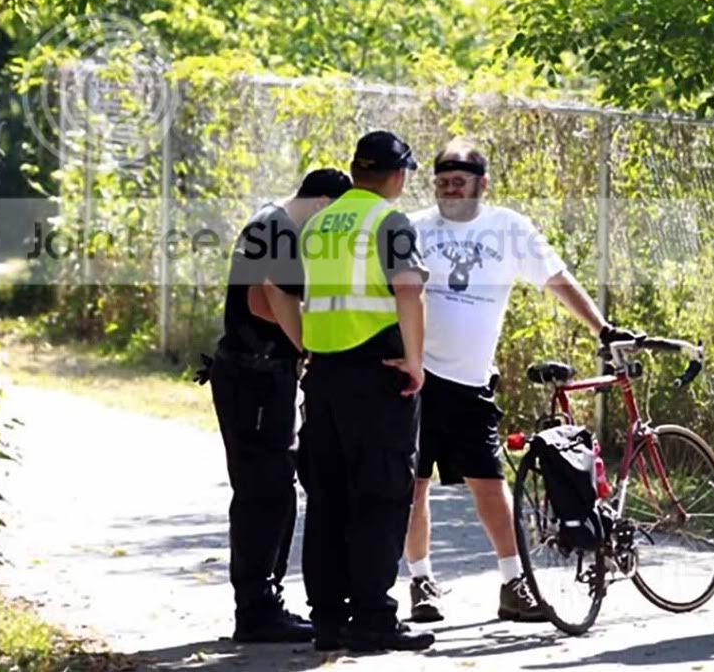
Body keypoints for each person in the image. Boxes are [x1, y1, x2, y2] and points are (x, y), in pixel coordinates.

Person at [404, 138, 607, 624]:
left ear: (483, 184)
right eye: (442, 183)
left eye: (459, 182)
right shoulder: (411, 228)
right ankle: (420, 581)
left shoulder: (508, 228)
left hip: (471, 382)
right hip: (417, 377)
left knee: (490, 485)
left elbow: (557, 278)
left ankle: (515, 583)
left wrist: (602, 328)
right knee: (414, 486)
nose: (450, 191)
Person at [298, 131, 435, 653]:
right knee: (379, 495)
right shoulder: (389, 222)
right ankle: (374, 620)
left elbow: (292, 293)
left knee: (329, 497)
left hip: (325, 374)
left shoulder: (318, 225)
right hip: (378, 372)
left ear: (356, 170)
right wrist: (416, 363)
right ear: (398, 176)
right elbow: (408, 290)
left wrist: (308, 348)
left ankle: (329, 620)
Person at [209, 167, 352, 643]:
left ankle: (264, 600)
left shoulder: (274, 222)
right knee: (263, 492)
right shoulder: (276, 227)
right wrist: (310, 347)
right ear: (325, 201)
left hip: (260, 376)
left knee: (274, 487)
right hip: (253, 376)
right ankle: (256, 610)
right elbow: (263, 298)